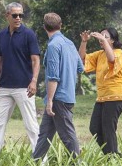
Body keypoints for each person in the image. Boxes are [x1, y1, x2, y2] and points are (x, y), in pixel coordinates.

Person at [0, 2, 40, 161]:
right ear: (7, 16)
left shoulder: (29, 34)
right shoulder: (2, 35)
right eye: (15, 15)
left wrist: (34, 81)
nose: (18, 18)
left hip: (24, 88)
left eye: (21, 15)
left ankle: (41, 160)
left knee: (31, 126)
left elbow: (35, 60)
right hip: (4, 88)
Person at [33, 13, 84, 161]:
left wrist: (49, 101)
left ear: (44, 27)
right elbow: (80, 67)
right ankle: (36, 161)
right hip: (68, 95)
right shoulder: (69, 43)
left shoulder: (53, 45)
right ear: (60, 26)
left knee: (67, 135)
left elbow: (53, 77)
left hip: (58, 98)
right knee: (45, 134)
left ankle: (78, 163)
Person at [79, 28, 122, 155]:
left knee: (108, 128)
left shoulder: (119, 53)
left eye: (105, 37)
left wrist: (102, 40)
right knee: (94, 127)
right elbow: (82, 59)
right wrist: (84, 42)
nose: (101, 39)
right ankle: (111, 154)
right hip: (102, 97)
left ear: (112, 40)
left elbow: (112, 60)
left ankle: (112, 156)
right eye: (101, 36)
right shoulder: (100, 54)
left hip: (116, 97)